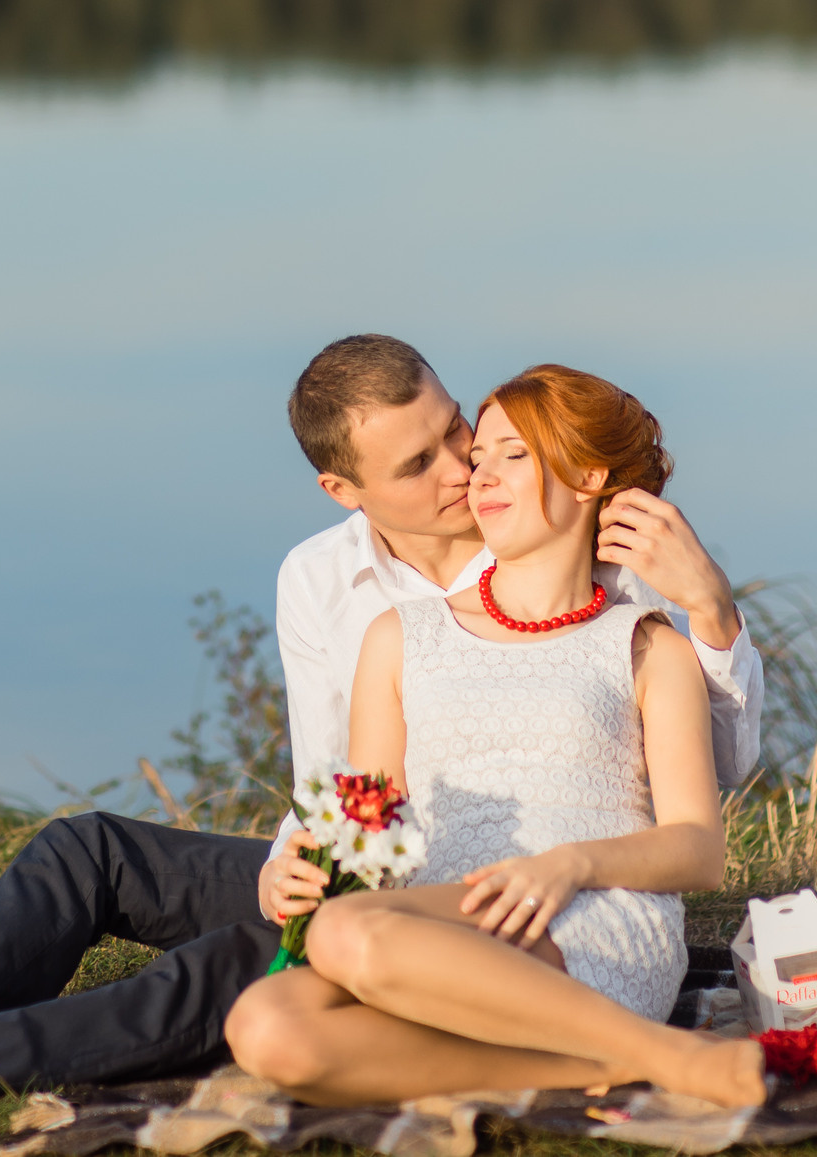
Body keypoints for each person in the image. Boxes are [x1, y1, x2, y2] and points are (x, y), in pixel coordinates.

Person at [0, 335, 761, 1102]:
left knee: (238, 968)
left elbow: (695, 793)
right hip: (398, 875)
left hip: (514, 900)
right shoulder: (335, 587)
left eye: (461, 439)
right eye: (428, 461)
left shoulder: (599, 596)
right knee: (103, 860)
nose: (460, 473)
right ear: (342, 487)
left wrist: (708, 610)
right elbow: (345, 788)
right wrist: (302, 859)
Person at [221, 364, 765, 1105]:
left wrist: (568, 865)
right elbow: (366, 817)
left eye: (513, 454)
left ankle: (664, 1053)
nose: (476, 473)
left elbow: (699, 847)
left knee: (346, 933)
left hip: (583, 913)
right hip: (428, 934)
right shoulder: (398, 637)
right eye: (482, 456)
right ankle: (631, 1057)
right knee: (264, 1026)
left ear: (587, 475)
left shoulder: (643, 642)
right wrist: (302, 863)